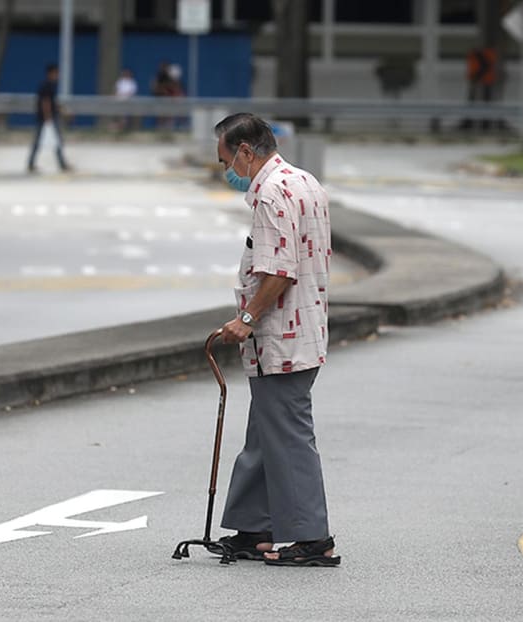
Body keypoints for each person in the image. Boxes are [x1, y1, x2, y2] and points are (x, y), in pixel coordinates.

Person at [210, 113, 340, 567]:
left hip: (280, 335)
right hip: (306, 326)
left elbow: (278, 271)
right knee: (266, 433)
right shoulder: (304, 181)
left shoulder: (269, 194)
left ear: (246, 151)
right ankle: (254, 527)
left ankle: (312, 538)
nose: (227, 169)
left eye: (227, 159)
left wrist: (246, 318)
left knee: (287, 436)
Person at [28, 63, 71, 173]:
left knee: (49, 141)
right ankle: (62, 164)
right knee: (54, 140)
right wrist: (48, 118)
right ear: (51, 73)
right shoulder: (47, 85)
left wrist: (62, 111)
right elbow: (45, 102)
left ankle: (31, 164)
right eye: (56, 73)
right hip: (46, 118)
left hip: (47, 117)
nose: (58, 75)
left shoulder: (50, 85)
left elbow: (52, 102)